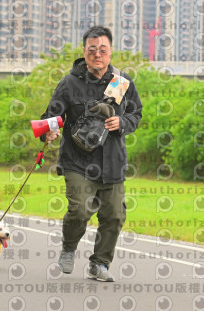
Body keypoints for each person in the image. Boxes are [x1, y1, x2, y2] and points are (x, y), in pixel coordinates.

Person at [40, 26, 142, 282]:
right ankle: (69, 248)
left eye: (103, 50)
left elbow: (136, 114)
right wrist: (48, 132)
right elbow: (51, 115)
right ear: (84, 52)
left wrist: (122, 122)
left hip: (113, 162)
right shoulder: (69, 83)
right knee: (80, 210)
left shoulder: (122, 82)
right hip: (78, 161)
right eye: (92, 50)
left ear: (110, 52)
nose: (98, 54)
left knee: (114, 215)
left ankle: (100, 264)